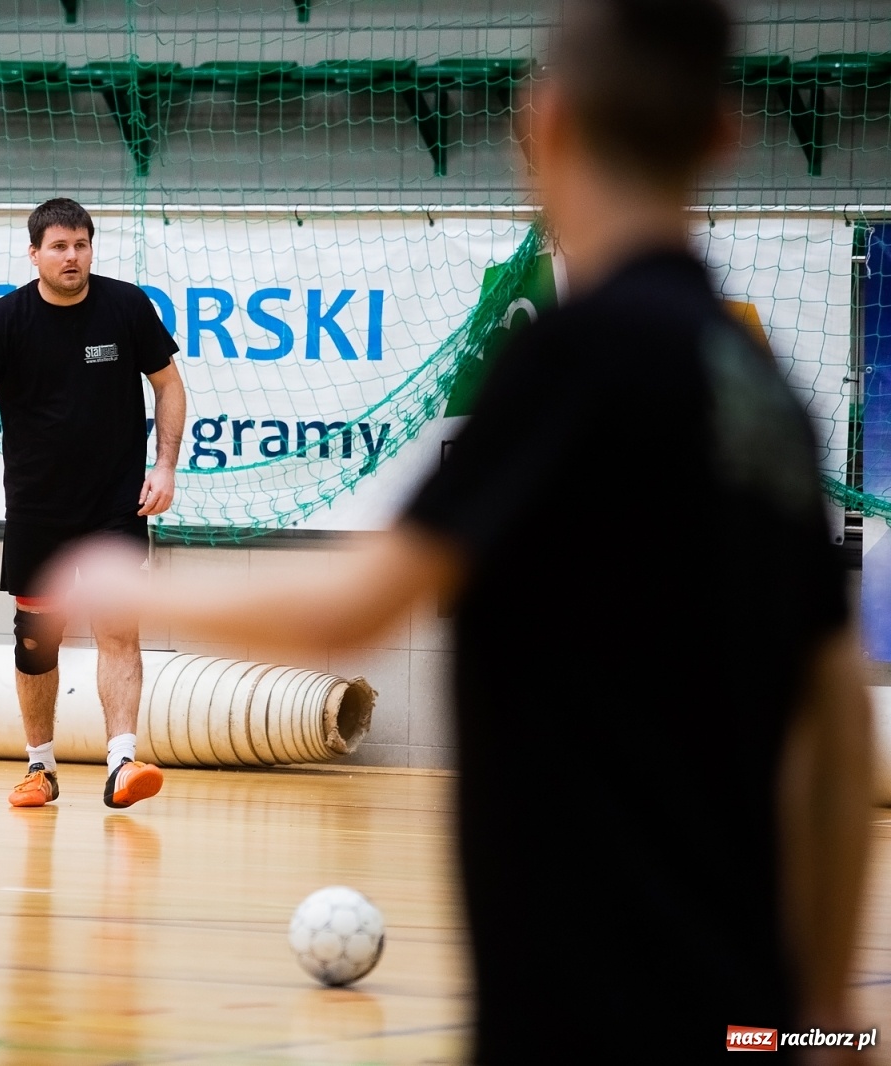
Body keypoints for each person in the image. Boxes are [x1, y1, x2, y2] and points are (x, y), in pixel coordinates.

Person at [52, 2, 873, 1061]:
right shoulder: (759, 383)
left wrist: (133, 587)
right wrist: (819, 1014)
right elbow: (836, 715)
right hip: (741, 1002)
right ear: (725, 135)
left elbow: (358, 603)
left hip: (589, 990)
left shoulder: (576, 356)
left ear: (546, 124)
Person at [0, 198, 188, 810]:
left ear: (91, 249)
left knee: (118, 630)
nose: (71, 256)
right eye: (59, 247)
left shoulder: (126, 306)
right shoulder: (7, 319)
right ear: (35, 254)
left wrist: (165, 466)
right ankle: (40, 769)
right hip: (38, 507)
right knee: (36, 641)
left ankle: (122, 763)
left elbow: (169, 386)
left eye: (81, 245)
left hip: (114, 505)